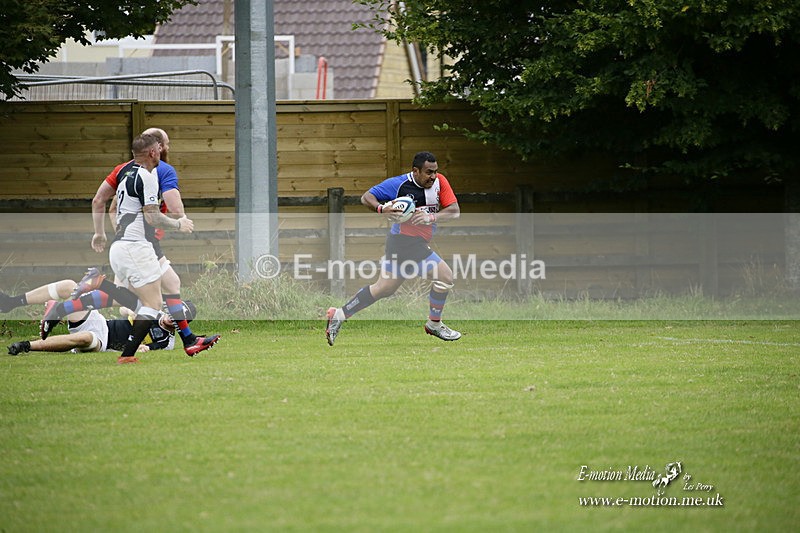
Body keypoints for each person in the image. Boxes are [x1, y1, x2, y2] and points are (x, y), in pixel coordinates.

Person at [87, 128, 219, 357]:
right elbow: (164, 211)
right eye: (163, 145)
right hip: (139, 245)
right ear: (154, 149)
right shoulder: (157, 171)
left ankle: (189, 340)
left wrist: (102, 233)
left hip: (130, 243)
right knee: (145, 302)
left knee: (168, 285)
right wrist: (180, 222)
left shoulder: (122, 170)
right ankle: (75, 305)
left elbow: (103, 203)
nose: (164, 149)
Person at [325, 151, 462, 345]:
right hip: (405, 242)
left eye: (435, 171)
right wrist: (382, 208)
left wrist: (431, 217)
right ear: (415, 171)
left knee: (383, 288)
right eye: (428, 172)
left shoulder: (440, 182)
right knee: (445, 276)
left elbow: (454, 211)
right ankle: (434, 324)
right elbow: (367, 197)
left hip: (405, 243)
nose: (433, 176)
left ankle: (339, 314)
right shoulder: (398, 185)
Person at [4, 278, 194, 355]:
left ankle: (25, 345)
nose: (173, 318)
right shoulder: (153, 309)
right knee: (70, 286)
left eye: (178, 319)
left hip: (103, 344)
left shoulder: (166, 342)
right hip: (100, 322)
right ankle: (11, 303)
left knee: (86, 338)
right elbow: (122, 310)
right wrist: (131, 310)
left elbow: (143, 349)